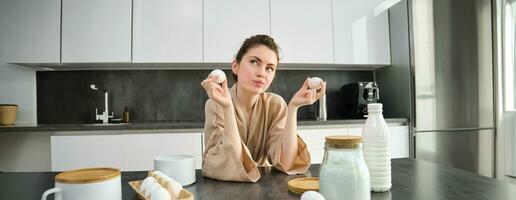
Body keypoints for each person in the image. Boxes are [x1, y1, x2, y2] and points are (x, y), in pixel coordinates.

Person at [200, 34, 326, 182]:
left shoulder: (275, 105)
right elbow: (228, 165)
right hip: (224, 189)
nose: (261, 73)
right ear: (235, 66)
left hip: (264, 188)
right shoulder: (216, 105)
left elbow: (286, 162)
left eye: (270, 68)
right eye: (254, 62)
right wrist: (227, 108)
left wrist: (293, 108)